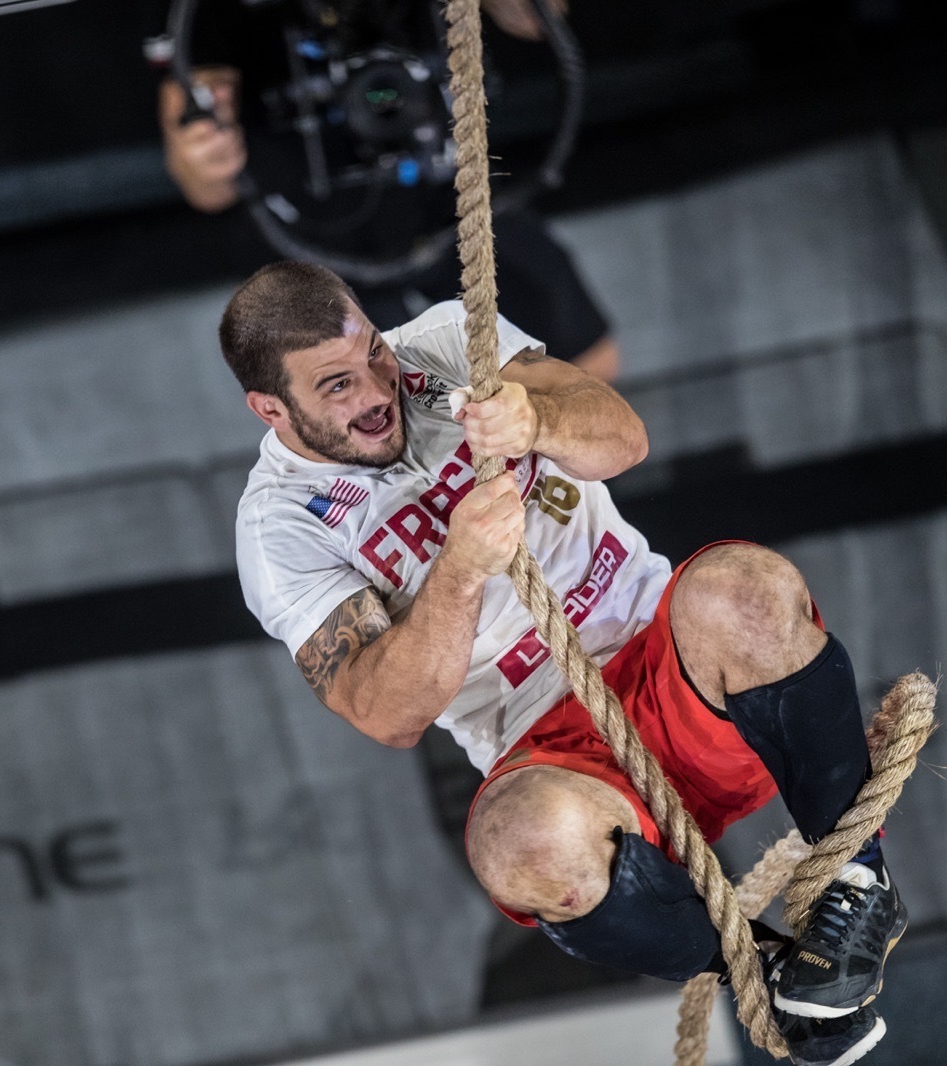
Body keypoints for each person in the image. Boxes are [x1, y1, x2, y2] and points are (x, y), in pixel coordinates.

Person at [222, 261, 907, 1066]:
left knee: (744, 589)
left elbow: (623, 437)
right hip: (555, 758)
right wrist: (461, 568)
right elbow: (385, 712)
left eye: (371, 351)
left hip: (678, 669)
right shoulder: (279, 530)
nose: (377, 390)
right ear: (271, 409)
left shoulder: (443, 344)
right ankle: (779, 979)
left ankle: (859, 886)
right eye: (335, 385)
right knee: (519, 843)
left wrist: (534, 418)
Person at [159, 0, 621, 380]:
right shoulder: (208, 16)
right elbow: (203, 184)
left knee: (584, 368)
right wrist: (208, 153)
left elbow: (538, 19)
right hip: (315, 241)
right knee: (370, 422)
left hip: (452, 202)